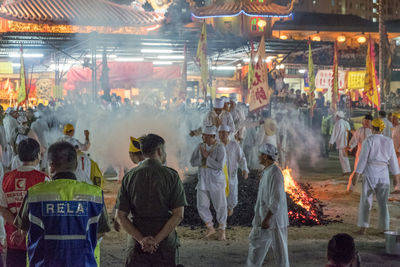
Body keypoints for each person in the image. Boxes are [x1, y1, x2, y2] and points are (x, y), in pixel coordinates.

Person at [14, 141, 110, 266]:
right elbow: (101, 231)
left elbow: (24, 228)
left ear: (51, 166)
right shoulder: (95, 195)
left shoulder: (34, 194)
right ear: (75, 166)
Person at [116, 134, 187, 267]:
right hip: (165, 244)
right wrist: (156, 240)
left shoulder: (129, 177)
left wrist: (142, 240)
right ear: (160, 151)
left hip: (137, 245)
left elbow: (120, 216)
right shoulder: (172, 176)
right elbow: (178, 215)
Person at [0, 138, 48, 267]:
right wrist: (25, 230)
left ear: (19, 156)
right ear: (38, 155)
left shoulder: (7, 178)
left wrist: (19, 227)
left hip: (13, 240)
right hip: (37, 240)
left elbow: (2, 208)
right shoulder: (43, 179)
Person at [352, 118, 400, 234]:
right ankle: (385, 228)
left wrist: (356, 175)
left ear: (373, 128)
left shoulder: (368, 140)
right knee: (383, 204)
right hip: (384, 175)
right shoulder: (388, 141)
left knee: (366, 202)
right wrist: (396, 178)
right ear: (382, 129)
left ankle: (363, 228)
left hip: (370, 174)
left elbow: (362, 160)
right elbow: (393, 161)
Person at [245, 144, 289, 267]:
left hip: (274, 221)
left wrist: (268, 218)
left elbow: (277, 198)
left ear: (265, 156)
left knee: (281, 255)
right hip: (264, 219)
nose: (258, 156)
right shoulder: (268, 171)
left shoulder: (275, 173)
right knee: (256, 247)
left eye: (260, 154)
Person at [190, 126, 228, 240]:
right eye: (203, 135)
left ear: (212, 136)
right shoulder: (199, 146)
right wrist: (202, 161)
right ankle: (210, 227)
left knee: (220, 205)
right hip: (203, 181)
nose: (203, 137)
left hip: (216, 181)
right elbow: (192, 162)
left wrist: (207, 159)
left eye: (205, 136)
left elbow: (220, 166)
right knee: (201, 205)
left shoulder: (220, 147)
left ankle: (222, 229)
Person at [218, 125, 249, 217]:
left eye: (224, 133)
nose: (222, 135)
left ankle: (228, 218)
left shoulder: (234, 145)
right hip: (219, 177)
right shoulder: (216, 146)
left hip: (231, 176)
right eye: (220, 132)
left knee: (231, 200)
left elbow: (242, 158)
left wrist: (244, 169)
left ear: (228, 134)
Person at [346, 114, 372, 192]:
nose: (365, 123)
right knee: (357, 171)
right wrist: (350, 147)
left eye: (367, 122)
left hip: (371, 155)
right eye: (365, 121)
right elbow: (355, 139)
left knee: (370, 173)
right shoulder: (360, 130)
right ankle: (350, 188)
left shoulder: (373, 131)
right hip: (361, 154)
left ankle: (371, 190)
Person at [329, 111, 351, 175]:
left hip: (341, 143)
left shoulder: (337, 123)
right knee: (345, 157)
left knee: (342, 157)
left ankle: (346, 171)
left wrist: (331, 142)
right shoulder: (346, 123)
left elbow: (334, 134)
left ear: (338, 116)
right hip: (346, 142)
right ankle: (347, 170)